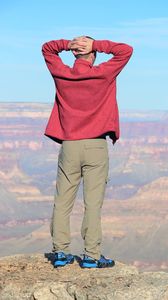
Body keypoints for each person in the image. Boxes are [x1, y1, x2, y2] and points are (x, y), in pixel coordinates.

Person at [42, 36, 133, 268]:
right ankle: (91, 257)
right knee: (93, 203)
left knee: (63, 200)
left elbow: (47, 49)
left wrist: (68, 44)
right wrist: (97, 45)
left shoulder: (63, 74)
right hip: (96, 146)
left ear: (75, 54)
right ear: (92, 55)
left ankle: (61, 253)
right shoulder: (103, 73)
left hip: (70, 145)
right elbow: (125, 50)